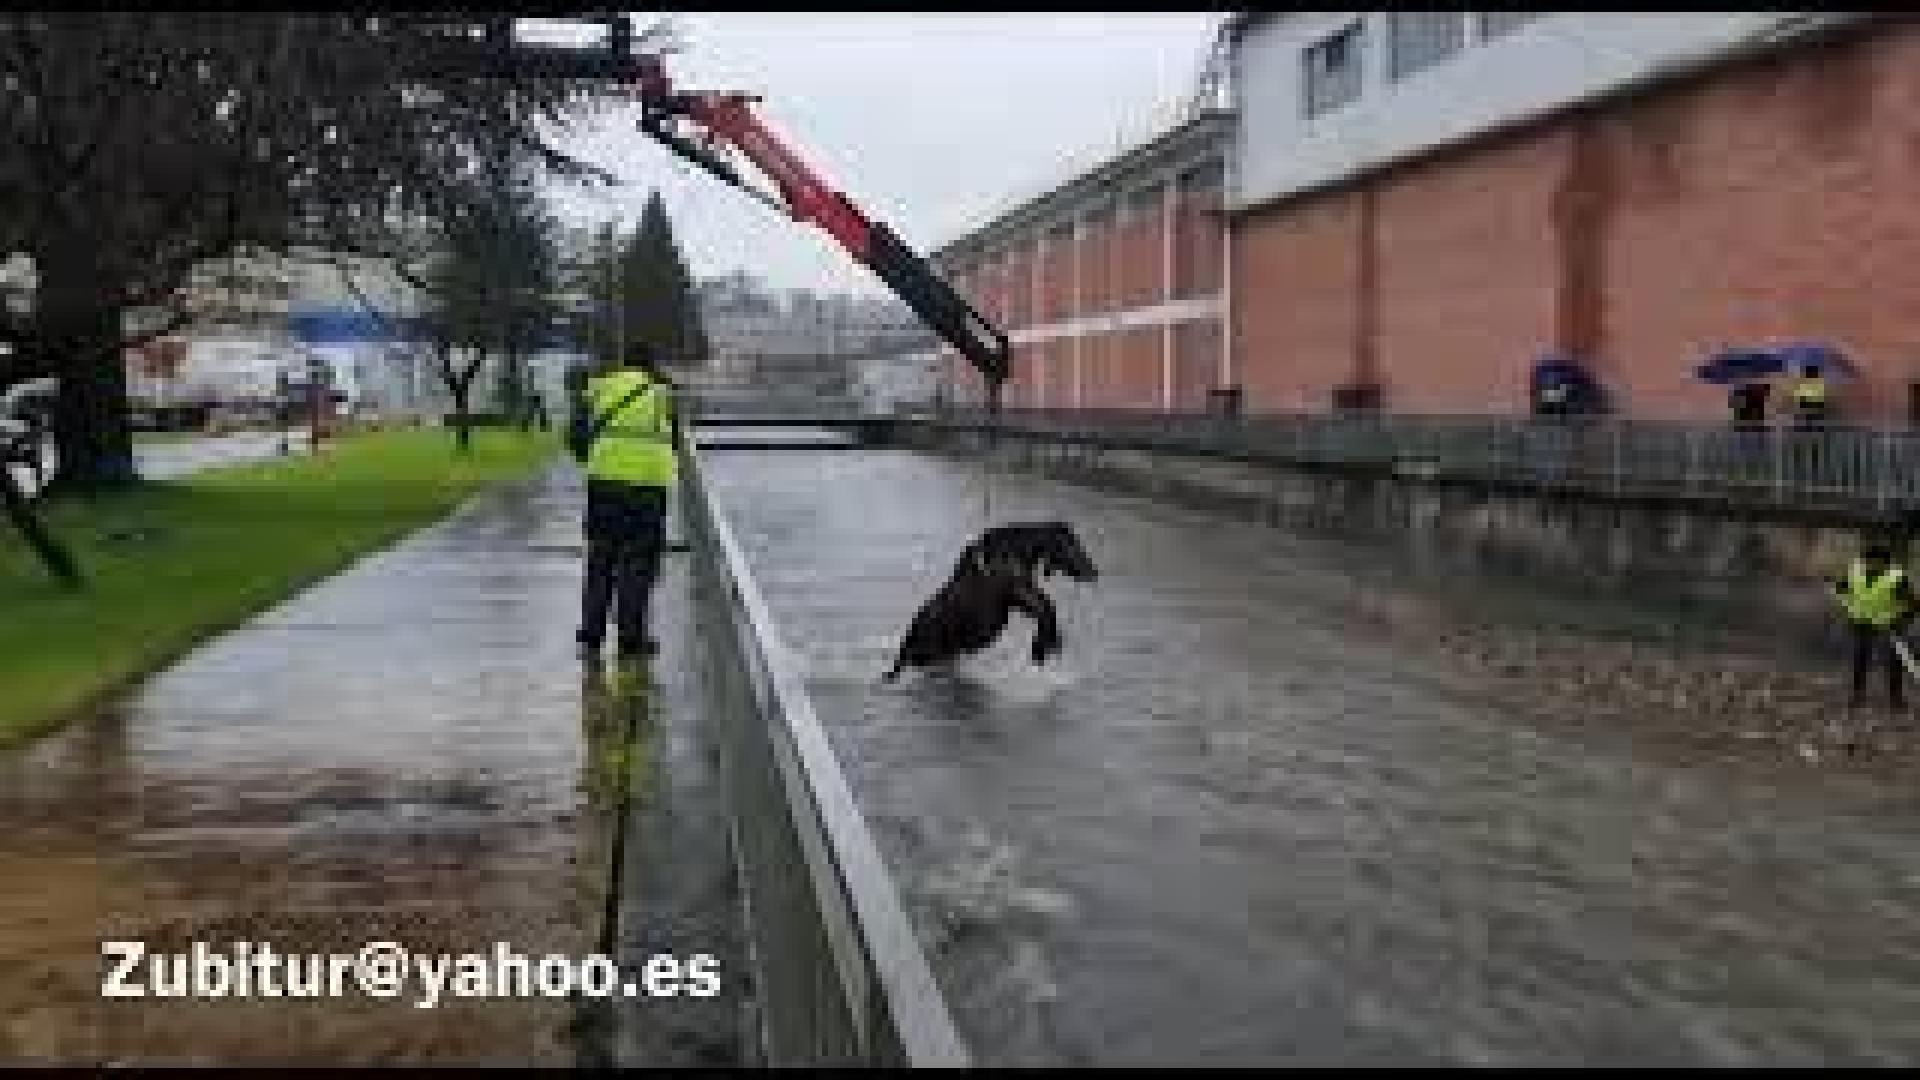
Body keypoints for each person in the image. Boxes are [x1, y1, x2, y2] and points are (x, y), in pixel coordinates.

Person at [572, 347, 680, 668]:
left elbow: (576, 431)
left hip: (603, 484)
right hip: (647, 488)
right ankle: (631, 640)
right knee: (637, 564)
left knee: (600, 559)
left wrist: (593, 458)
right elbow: (674, 440)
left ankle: (591, 636)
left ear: (623, 366)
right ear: (651, 367)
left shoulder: (600, 387)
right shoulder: (661, 394)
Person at [1832, 539, 1916, 709]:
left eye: (1876, 561)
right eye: (1868, 560)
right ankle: (1857, 694)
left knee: (1894, 661)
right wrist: (1848, 608)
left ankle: (1895, 698)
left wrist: (1903, 619)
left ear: (1885, 562)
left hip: (1890, 624)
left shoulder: (1896, 577)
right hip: (1862, 623)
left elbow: (1910, 602)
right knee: (1861, 658)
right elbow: (1839, 591)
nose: (1871, 564)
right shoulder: (1854, 574)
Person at [1789, 362, 1829, 430]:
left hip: (1812, 409)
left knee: (1812, 424)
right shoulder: (1819, 384)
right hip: (1814, 409)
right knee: (1815, 425)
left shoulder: (1810, 384)